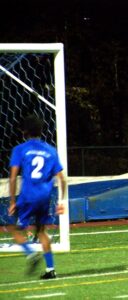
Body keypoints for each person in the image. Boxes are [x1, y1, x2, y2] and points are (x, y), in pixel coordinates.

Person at [8, 114, 66, 279]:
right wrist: (61, 201)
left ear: (25, 131)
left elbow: (13, 177)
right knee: (41, 231)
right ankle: (50, 270)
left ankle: (30, 254)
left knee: (15, 229)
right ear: (41, 130)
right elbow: (62, 179)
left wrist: (12, 201)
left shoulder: (20, 149)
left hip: (28, 196)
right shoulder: (51, 150)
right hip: (44, 197)